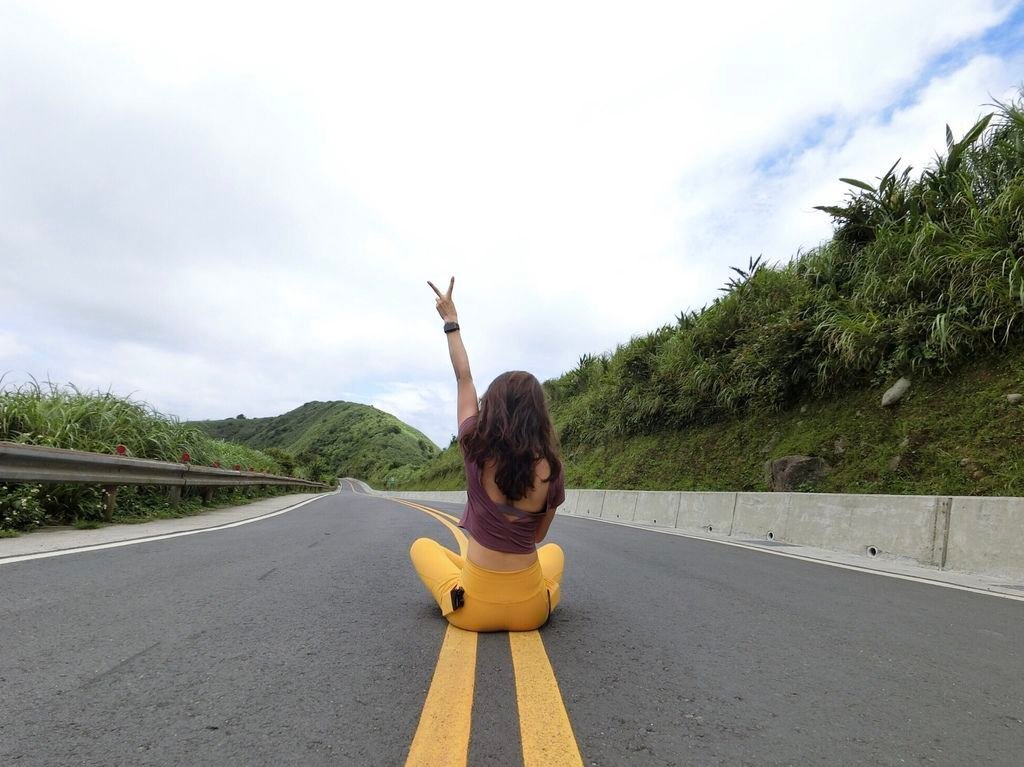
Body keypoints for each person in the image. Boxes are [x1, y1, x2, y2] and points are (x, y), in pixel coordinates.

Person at [409, 277, 566, 632]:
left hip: (473, 613)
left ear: (492, 406)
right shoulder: (552, 470)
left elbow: (463, 378)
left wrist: (451, 322)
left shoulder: (473, 447)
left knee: (422, 547)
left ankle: (454, 595)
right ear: (539, 415)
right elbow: (539, 537)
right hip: (531, 615)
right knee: (554, 554)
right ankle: (545, 597)